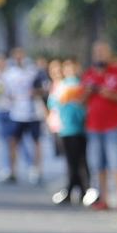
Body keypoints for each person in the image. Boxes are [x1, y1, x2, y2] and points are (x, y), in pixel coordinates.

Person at [80, 42, 117, 209]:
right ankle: (104, 198)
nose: (100, 56)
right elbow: (80, 101)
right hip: (93, 127)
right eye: (97, 53)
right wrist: (88, 92)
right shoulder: (88, 75)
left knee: (115, 162)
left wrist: (109, 94)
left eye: (103, 52)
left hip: (113, 126)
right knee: (98, 164)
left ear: (108, 55)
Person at [49, 58, 90, 206]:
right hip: (66, 128)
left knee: (82, 160)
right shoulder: (60, 86)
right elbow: (52, 103)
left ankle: (84, 189)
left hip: (82, 128)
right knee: (71, 161)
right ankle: (72, 188)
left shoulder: (83, 84)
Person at [3, 48, 44, 184]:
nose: (19, 58)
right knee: (13, 141)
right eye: (16, 56)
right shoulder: (9, 74)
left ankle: (37, 171)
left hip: (33, 114)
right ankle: (12, 171)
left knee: (36, 142)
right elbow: (6, 92)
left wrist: (36, 92)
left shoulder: (33, 71)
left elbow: (43, 89)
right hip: (17, 113)